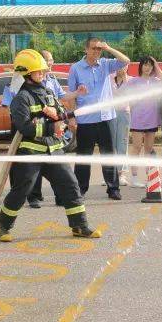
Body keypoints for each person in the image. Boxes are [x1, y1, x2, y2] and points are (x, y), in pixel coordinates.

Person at [0, 49, 101, 242]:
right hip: (31, 153)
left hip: (54, 150)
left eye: (43, 71)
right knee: (21, 191)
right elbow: (25, 127)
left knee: (71, 186)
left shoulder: (48, 91)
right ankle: (4, 227)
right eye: (38, 71)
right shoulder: (21, 99)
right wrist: (50, 128)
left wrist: (62, 116)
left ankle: (80, 226)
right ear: (26, 73)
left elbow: (60, 113)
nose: (43, 74)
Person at [68, 37, 130, 200]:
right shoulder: (76, 68)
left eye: (99, 49)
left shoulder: (105, 64)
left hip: (106, 117)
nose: (97, 51)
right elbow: (71, 95)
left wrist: (108, 48)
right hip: (85, 119)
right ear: (86, 50)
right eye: (94, 48)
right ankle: (80, 189)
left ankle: (113, 189)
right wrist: (72, 118)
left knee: (109, 154)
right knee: (83, 157)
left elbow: (125, 60)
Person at [123, 56, 162, 186]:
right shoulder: (134, 81)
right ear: (141, 66)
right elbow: (123, 94)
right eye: (145, 65)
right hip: (138, 120)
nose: (147, 67)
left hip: (152, 119)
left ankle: (150, 178)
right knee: (136, 148)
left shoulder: (155, 81)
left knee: (149, 149)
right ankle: (134, 177)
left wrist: (156, 64)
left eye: (150, 65)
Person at [109, 68, 131, 184]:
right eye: (118, 65)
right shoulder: (109, 78)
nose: (120, 69)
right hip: (110, 113)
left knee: (122, 143)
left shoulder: (130, 80)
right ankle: (110, 174)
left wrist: (125, 78)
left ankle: (121, 173)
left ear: (127, 67)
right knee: (110, 143)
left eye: (123, 66)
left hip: (124, 113)